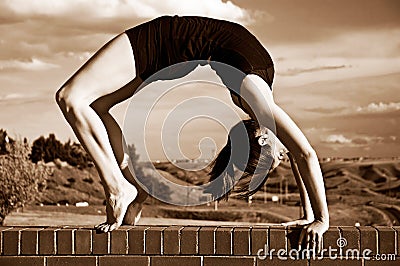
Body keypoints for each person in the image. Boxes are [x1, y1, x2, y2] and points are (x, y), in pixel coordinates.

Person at [56, 15, 329, 251]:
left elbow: (298, 155)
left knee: (71, 98)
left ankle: (118, 188)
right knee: (89, 104)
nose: (282, 153)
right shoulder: (256, 96)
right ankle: (130, 186)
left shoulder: (256, 99)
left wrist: (310, 216)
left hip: (169, 46)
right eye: (274, 159)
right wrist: (321, 219)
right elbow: (304, 154)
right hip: (167, 43)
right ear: (262, 139)